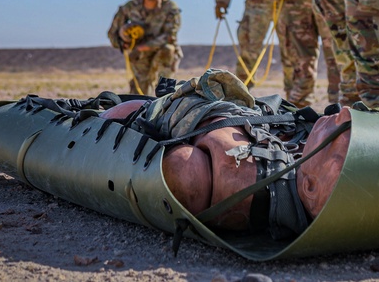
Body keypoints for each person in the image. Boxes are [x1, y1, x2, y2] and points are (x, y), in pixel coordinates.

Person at [99, 70, 352, 234]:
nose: (341, 114)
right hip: (232, 112)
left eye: (338, 139)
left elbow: (182, 171)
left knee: (124, 111)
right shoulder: (307, 155)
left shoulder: (230, 176)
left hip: (181, 112)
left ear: (309, 187)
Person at [107, 0, 183, 96]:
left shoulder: (170, 8)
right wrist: (122, 43)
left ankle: (166, 101)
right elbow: (112, 33)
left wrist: (141, 48)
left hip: (163, 55)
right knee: (139, 98)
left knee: (168, 51)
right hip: (140, 59)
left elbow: (169, 36)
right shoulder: (130, 8)